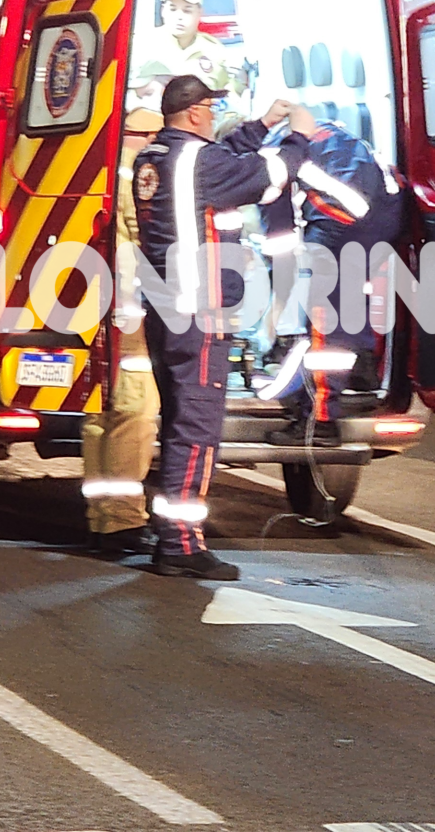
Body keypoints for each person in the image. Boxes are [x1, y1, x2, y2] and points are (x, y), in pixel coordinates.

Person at [133, 75, 310, 579]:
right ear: (193, 113)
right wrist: (298, 135)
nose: (213, 116)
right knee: (195, 430)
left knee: (176, 425)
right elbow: (268, 176)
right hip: (200, 314)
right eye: (210, 108)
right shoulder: (198, 162)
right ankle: (182, 546)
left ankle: (169, 535)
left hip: (166, 312)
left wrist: (261, 125)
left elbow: (220, 160)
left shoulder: (154, 158)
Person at [267, 116, 405, 446]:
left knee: (325, 319)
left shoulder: (275, 154)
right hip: (385, 215)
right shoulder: (331, 132)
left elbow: (280, 234)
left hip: (343, 220)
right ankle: (362, 367)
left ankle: (321, 419)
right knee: (353, 299)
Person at [80, 104, 163, 556]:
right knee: (135, 409)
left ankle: (101, 516)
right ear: (143, 136)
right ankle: (123, 522)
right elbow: (143, 239)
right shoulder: (135, 176)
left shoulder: (103, 171)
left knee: (101, 414)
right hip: (128, 309)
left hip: (103, 306)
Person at [131, 0, 244, 127]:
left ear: (199, 12)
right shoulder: (142, 45)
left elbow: (228, 96)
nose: (179, 17)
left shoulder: (214, 50)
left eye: (187, 10)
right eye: (173, 9)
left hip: (199, 131)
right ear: (163, 10)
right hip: (149, 129)